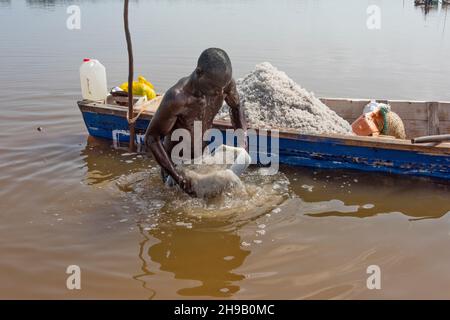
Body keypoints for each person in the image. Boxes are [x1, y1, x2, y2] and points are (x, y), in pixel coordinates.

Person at [144, 48, 247, 196]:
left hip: (203, 159)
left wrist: (242, 138)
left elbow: (236, 107)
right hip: (177, 166)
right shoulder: (178, 98)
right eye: (214, 88)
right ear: (199, 73)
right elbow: (151, 138)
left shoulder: (224, 85)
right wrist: (179, 179)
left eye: (222, 88)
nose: (220, 93)